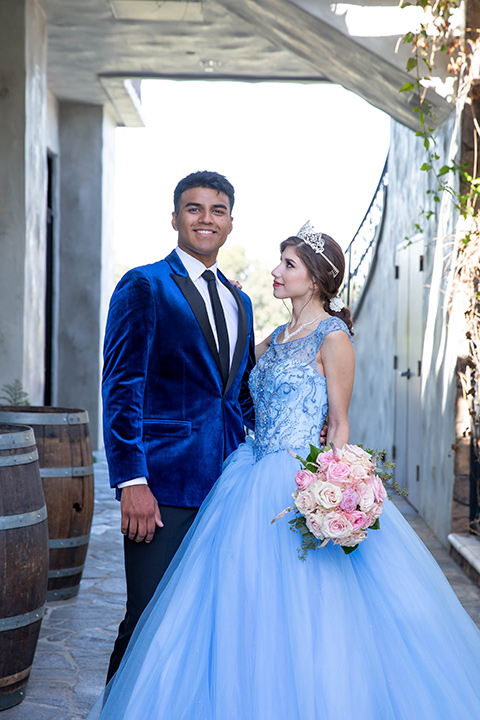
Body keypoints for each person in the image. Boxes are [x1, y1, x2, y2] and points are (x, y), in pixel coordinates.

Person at [90, 225, 480, 719]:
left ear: (315, 279)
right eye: (278, 262)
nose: (275, 271)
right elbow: (224, 383)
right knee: (236, 603)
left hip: (299, 481)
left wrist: (332, 491)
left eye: (288, 265)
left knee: (306, 612)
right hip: (246, 475)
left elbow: (338, 425)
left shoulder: (334, 338)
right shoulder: (273, 337)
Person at [101, 171, 255, 681]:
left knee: (209, 624)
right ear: (174, 218)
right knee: (146, 621)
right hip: (161, 489)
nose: (205, 219)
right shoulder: (144, 285)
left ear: (230, 221)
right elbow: (122, 391)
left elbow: (239, 396)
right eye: (194, 209)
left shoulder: (240, 301)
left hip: (228, 489)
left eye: (217, 210)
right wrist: (132, 481)